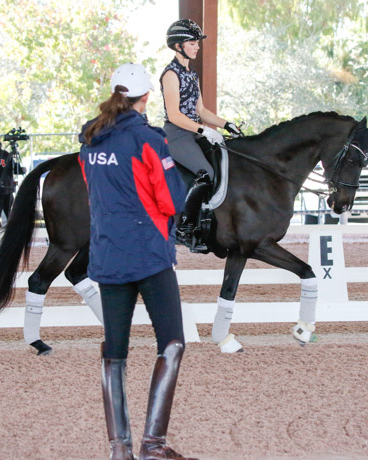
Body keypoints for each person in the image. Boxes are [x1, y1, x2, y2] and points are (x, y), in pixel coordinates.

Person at [79, 62, 197, 460]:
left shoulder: (90, 140)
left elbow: (93, 192)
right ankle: (153, 444)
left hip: (108, 256)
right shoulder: (149, 139)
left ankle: (119, 448)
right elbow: (171, 199)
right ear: (145, 98)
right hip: (148, 256)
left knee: (114, 352)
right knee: (172, 343)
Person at [161, 18, 243, 251]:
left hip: (194, 132)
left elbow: (201, 111)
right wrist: (204, 130)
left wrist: (227, 124)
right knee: (205, 173)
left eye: (197, 42)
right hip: (177, 134)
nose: (197, 46)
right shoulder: (170, 74)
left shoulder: (192, 75)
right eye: (192, 42)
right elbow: (175, 115)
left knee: (223, 161)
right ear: (178, 46)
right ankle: (184, 229)